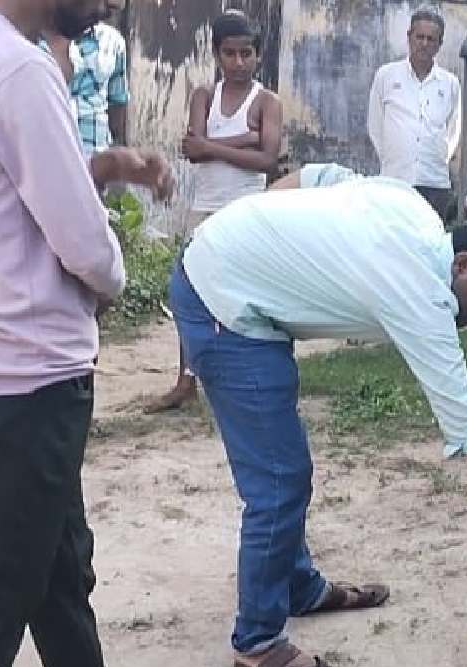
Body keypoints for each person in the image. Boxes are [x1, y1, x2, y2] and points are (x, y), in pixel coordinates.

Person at [169, 176, 467, 667]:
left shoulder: (417, 213)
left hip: (233, 268)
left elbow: (318, 177)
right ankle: (257, 642)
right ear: (462, 265)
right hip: (222, 303)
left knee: (288, 467)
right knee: (277, 480)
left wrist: (259, 229)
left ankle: (296, 587)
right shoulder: (419, 293)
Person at [0, 0, 213, 667]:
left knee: (55, 568)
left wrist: (106, 161)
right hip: (30, 370)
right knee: (12, 577)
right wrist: (114, 276)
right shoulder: (22, 72)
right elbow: (83, 244)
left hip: (12, 365)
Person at [145, 9, 283, 413]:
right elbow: (193, 152)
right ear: (216, 54)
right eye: (229, 54)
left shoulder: (266, 101)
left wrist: (216, 146)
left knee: (251, 296)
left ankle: (252, 377)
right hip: (204, 209)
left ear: (258, 55)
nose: (238, 63)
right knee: (190, 293)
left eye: (246, 54)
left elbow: (268, 160)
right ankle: (186, 380)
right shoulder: (204, 96)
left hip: (247, 212)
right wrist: (246, 139)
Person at [367, 8, 460, 223]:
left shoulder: (450, 83)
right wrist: (393, 160)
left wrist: (438, 159)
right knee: (392, 240)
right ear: (409, 37)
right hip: (395, 180)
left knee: (430, 245)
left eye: (431, 39)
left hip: (434, 183)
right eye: (420, 37)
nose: (424, 43)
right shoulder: (386, 76)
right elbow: (376, 126)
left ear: (439, 44)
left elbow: (453, 131)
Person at [41, 0, 128, 155]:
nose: (105, 11)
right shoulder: (22, 44)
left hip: (94, 168)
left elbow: (118, 106)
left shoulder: (112, 42)